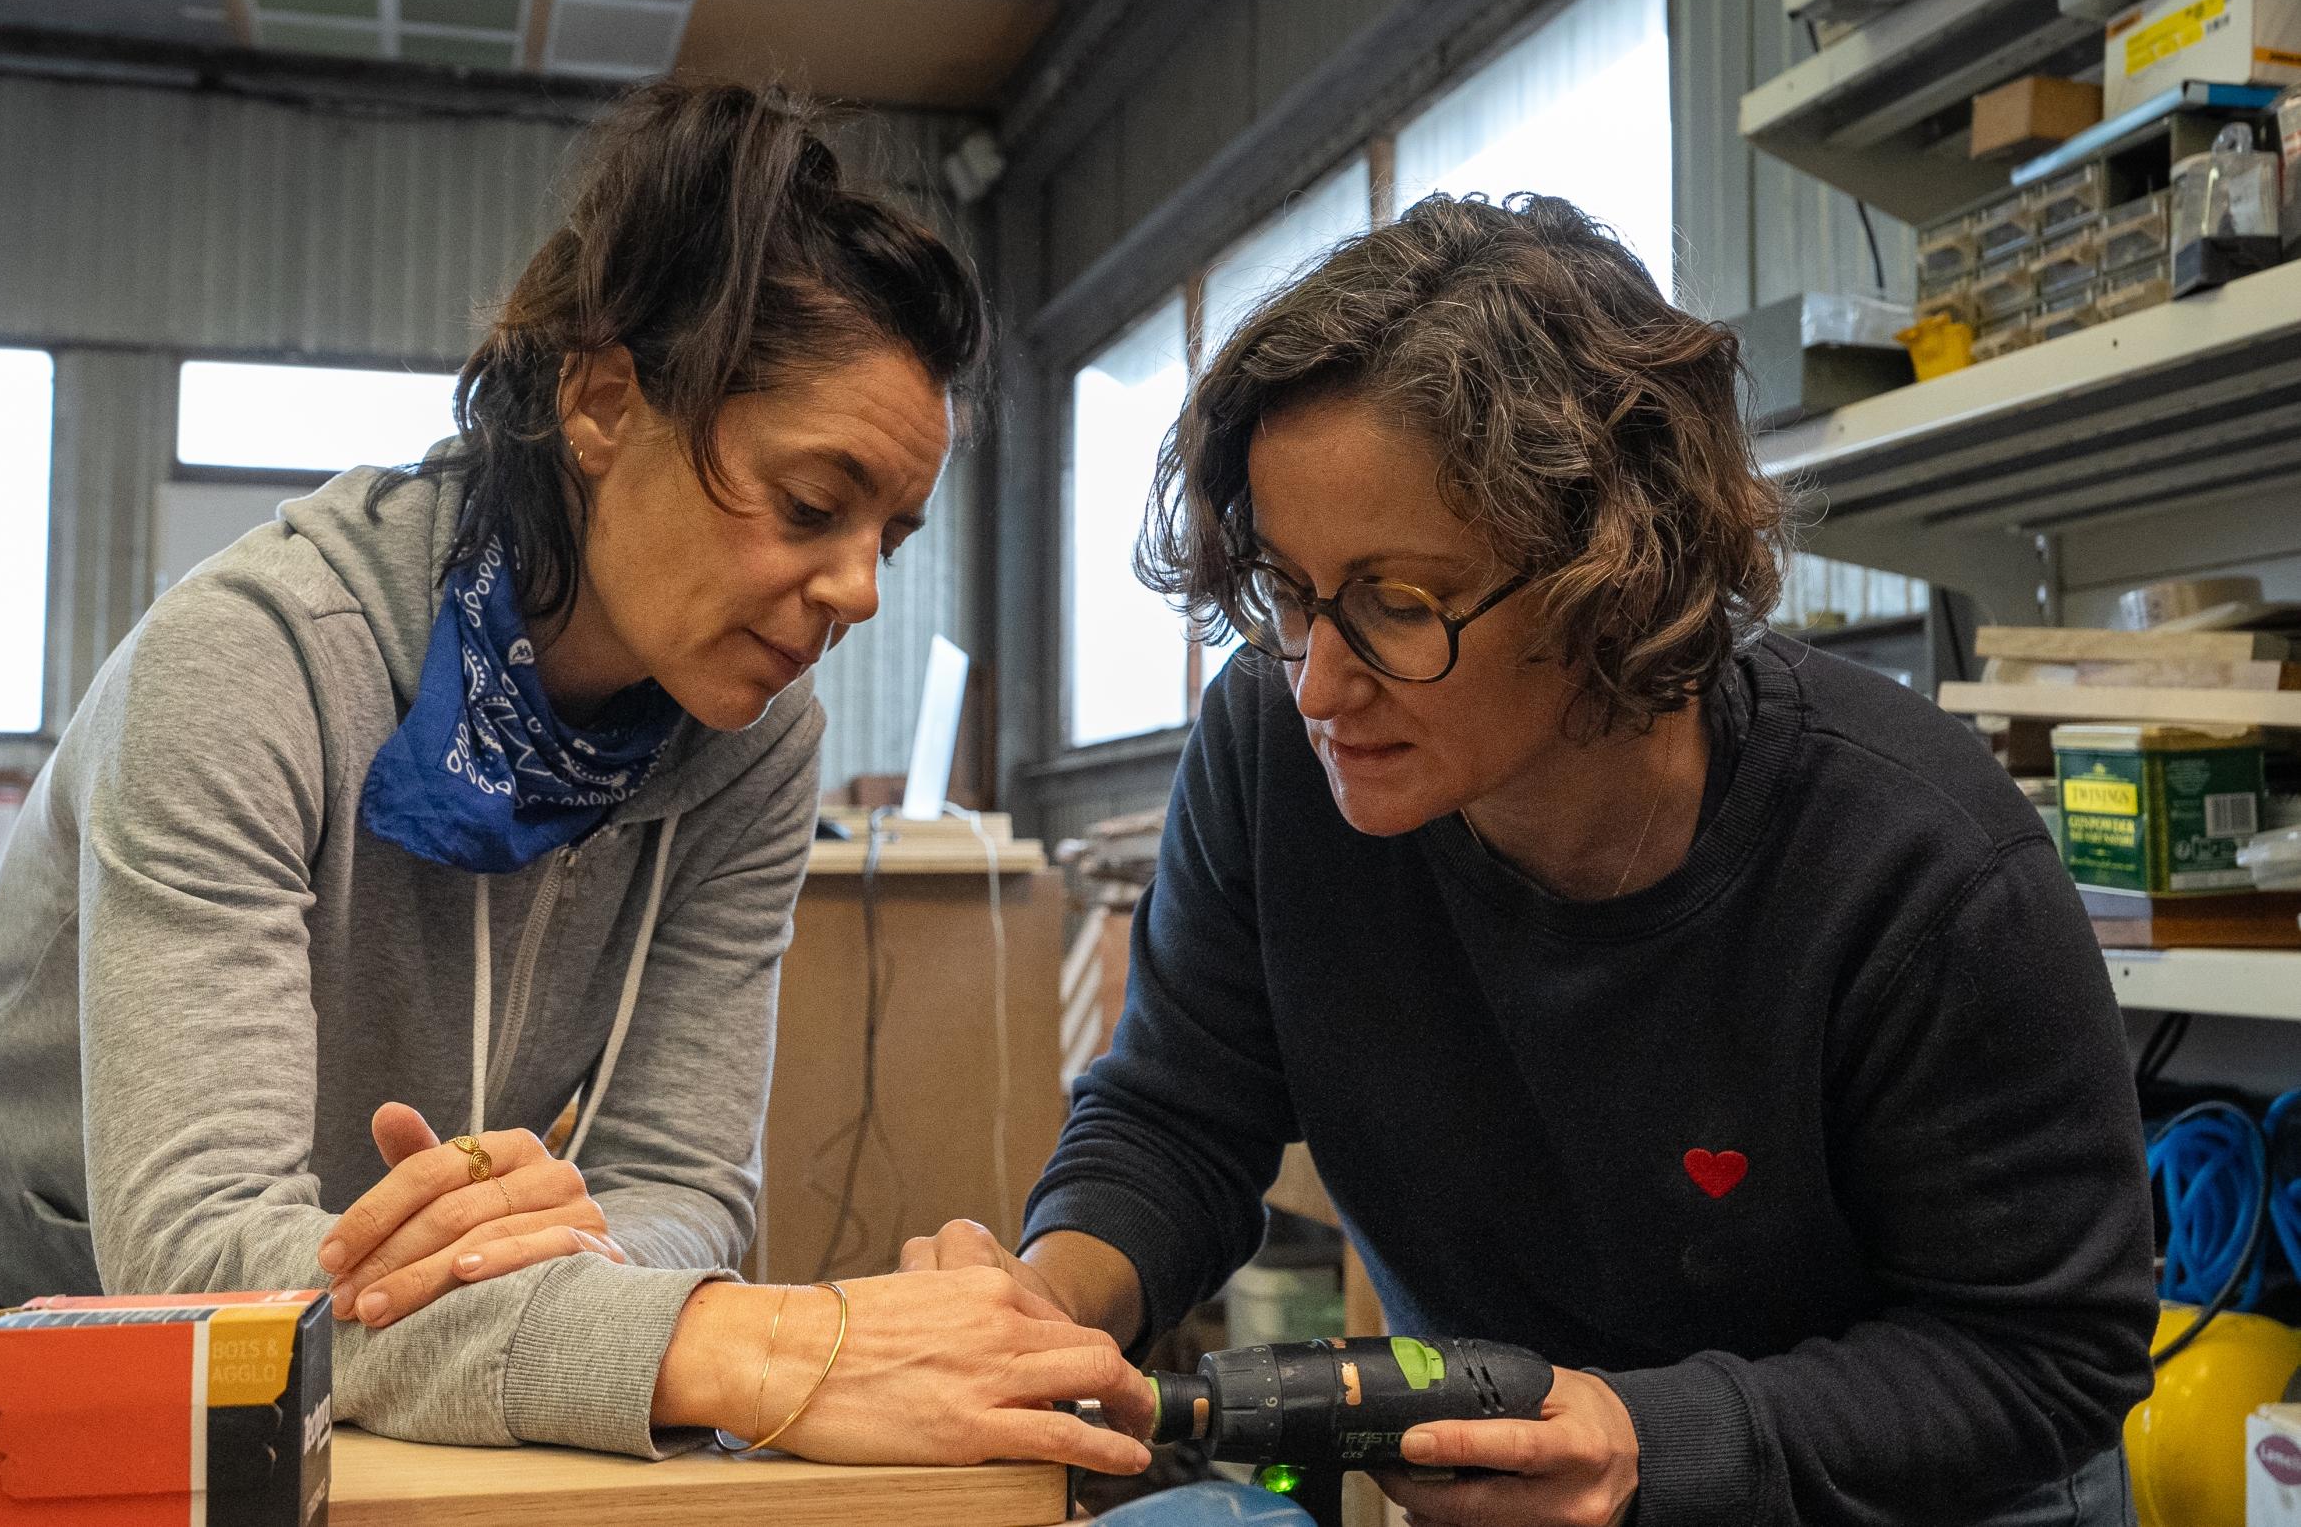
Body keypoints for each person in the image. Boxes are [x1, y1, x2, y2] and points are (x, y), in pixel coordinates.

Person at [0, 79, 1149, 1475]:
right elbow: (196, 1255)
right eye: (815, 505)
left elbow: (684, 1182)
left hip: (362, 1306)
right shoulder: (253, 663)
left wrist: (556, 1252)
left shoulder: (756, 744)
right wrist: (749, 1347)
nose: (861, 590)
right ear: (600, 398)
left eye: (895, 532)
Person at [903, 193, 2157, 1524]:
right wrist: (1043, 1303)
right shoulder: (1275, 757)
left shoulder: (1921, 860)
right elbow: (1176, 1111)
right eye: (1287, 595)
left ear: (1612, 576)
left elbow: (2052, 1357)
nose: (1321, 682)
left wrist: (1650, 1437)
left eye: (1397, 603)